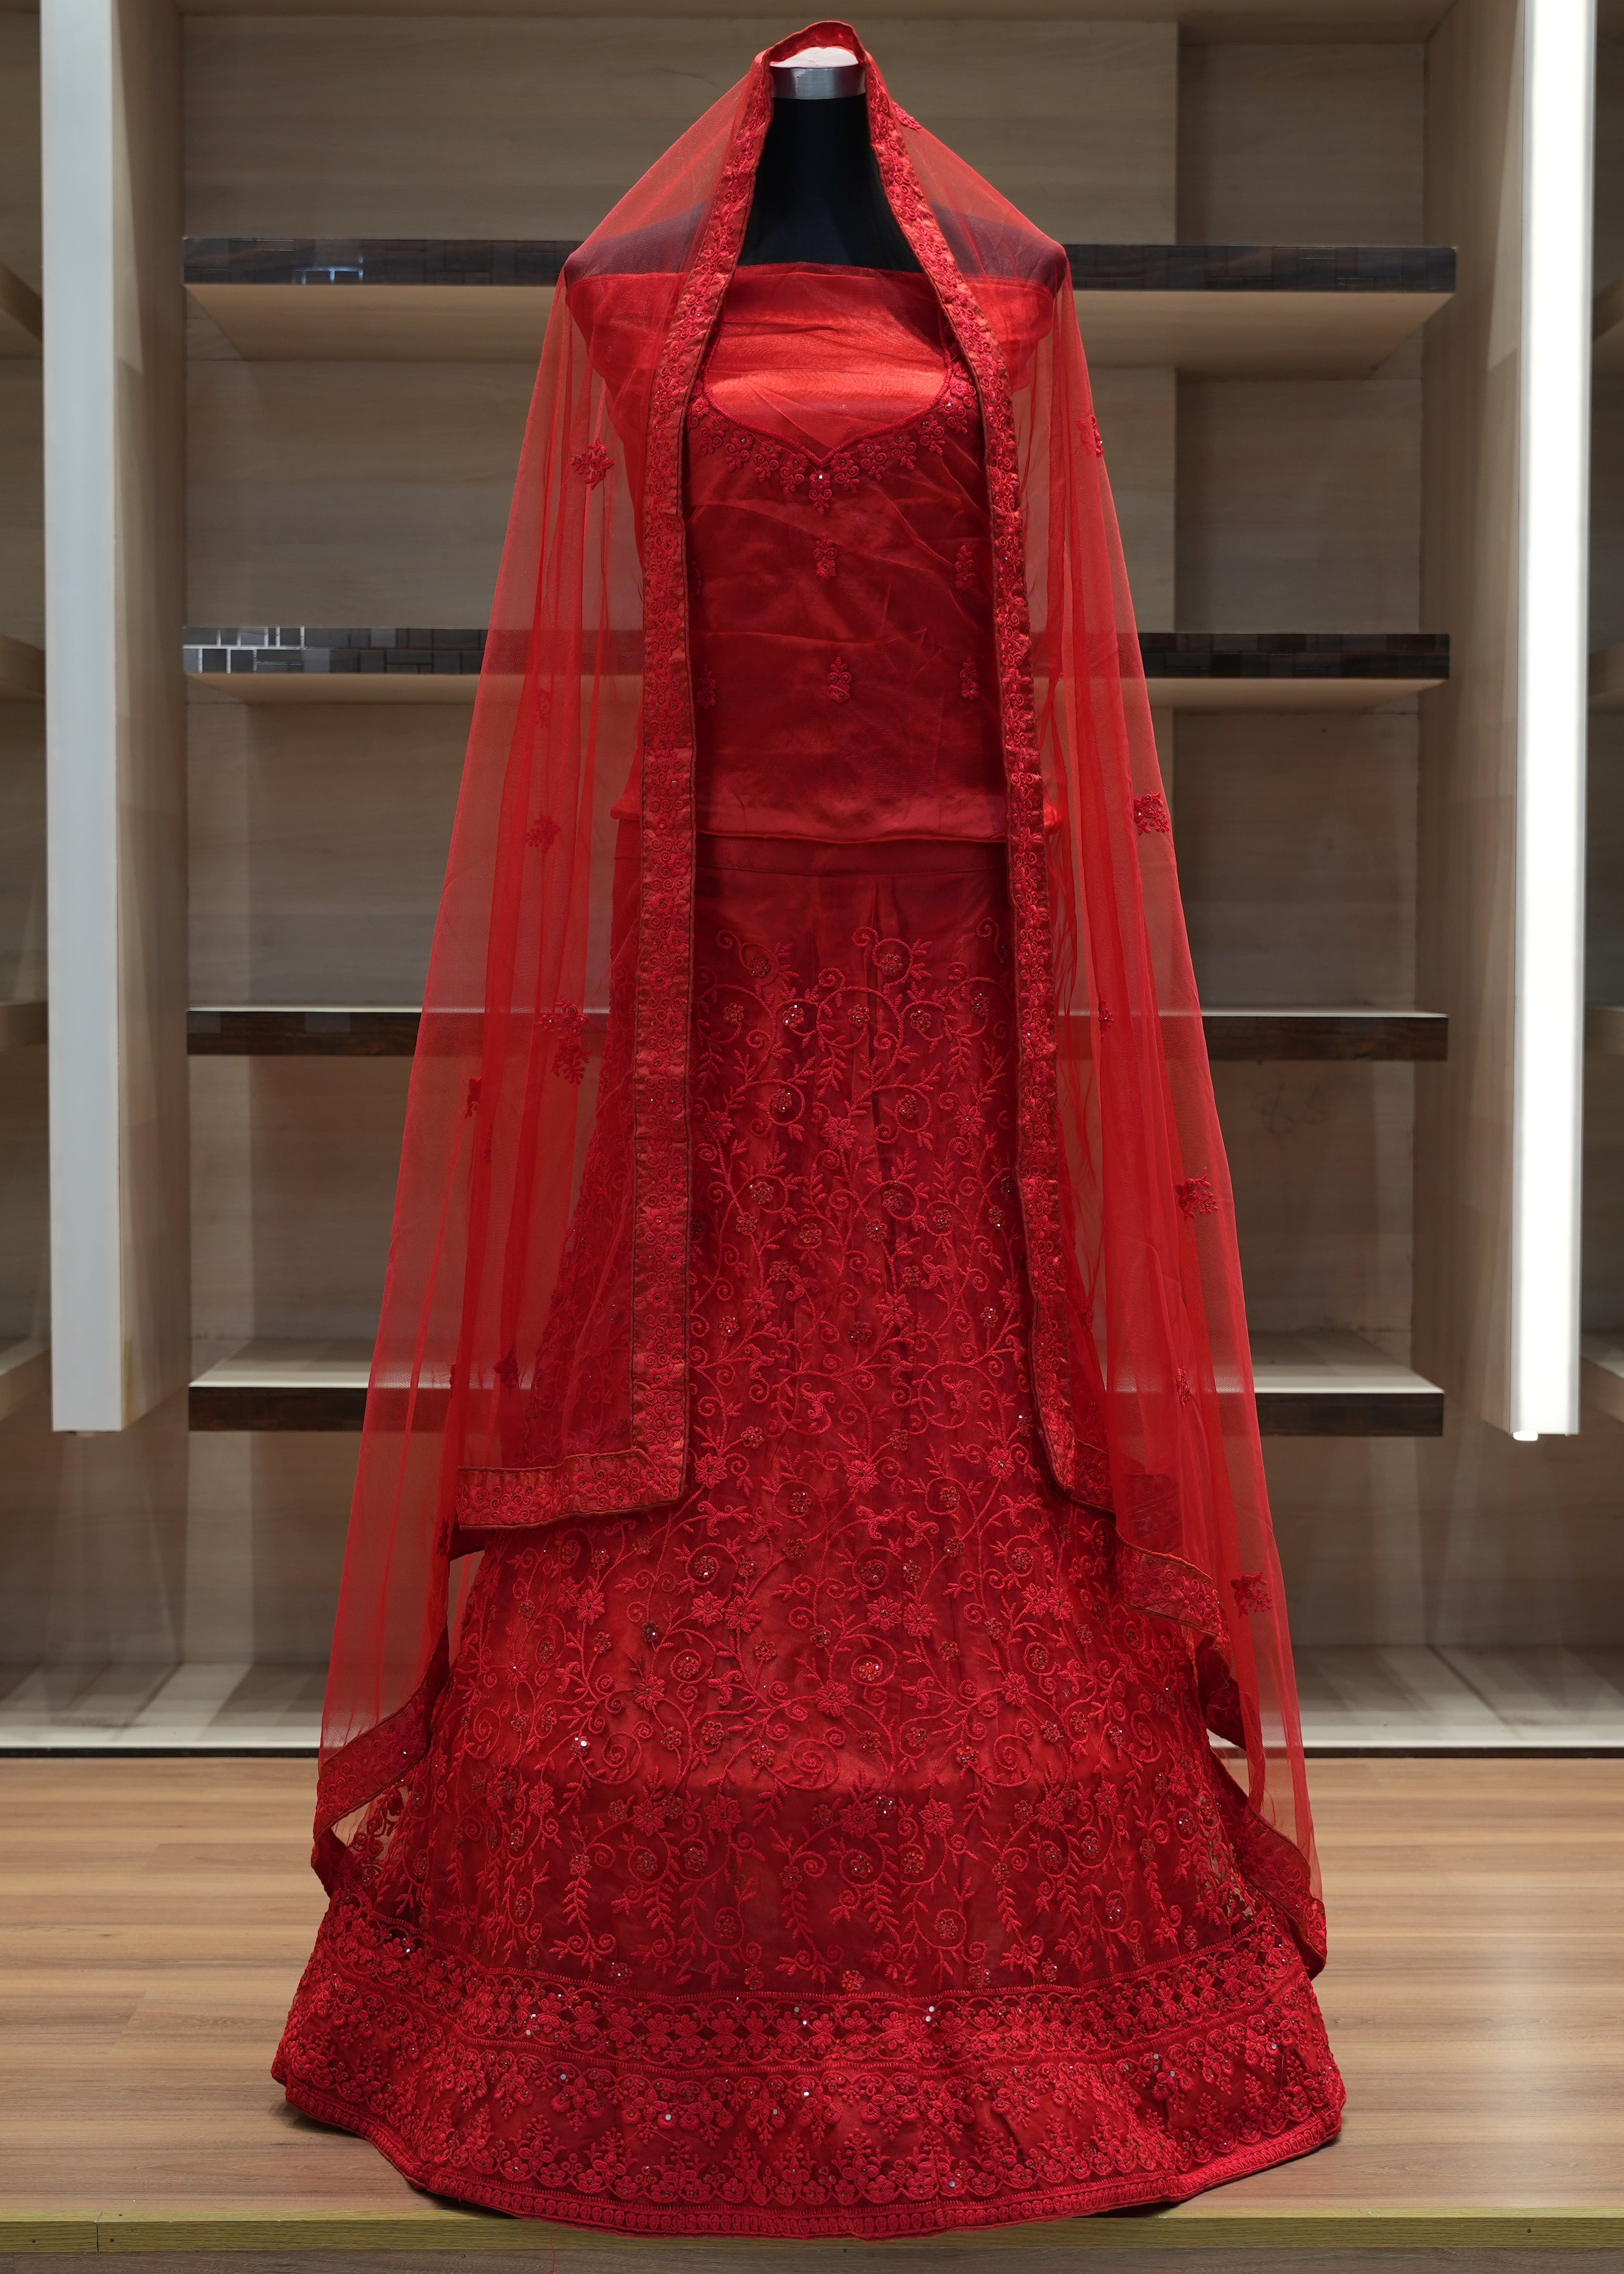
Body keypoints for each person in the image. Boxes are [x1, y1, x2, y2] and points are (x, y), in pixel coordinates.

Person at [274, 21, 1345, 2235]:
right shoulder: (618, 304)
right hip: (715, 941)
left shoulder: (1015, 298)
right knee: (697, 1369)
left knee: (953, 1364)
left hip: (951, 931)